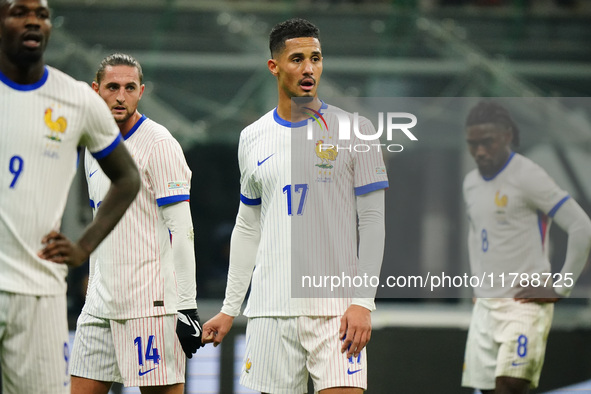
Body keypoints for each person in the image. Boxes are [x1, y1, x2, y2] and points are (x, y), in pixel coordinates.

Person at [202, 18, 388, 393]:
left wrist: (363, 302)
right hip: (271, 312)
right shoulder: (252, 137)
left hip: (336, 312)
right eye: (297, 59)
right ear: (274, 66)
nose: (308, 68)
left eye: (316, 58)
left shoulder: (356, 129)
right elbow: (247, 226)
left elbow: (372, 220)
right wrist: (230, 307)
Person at [0, 0, 140, 393]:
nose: (32, 21)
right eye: (18, 12)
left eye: (41, 15)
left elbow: (127, 178)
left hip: (40, 292)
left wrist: (83, 249)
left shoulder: (75, 98)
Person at [69, 53, 202, 394]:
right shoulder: (92, 146)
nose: (120, 96)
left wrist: (186, 306)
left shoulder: (159, 145)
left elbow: (182, 232)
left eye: (130, 88)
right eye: (112, 87)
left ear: (141, 91)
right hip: (99, 304)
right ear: (95, 90)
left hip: (151, 308)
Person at [461, 101, 591, 393]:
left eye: (487, 142)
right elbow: (476, 234)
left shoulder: (528, 175)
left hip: (524, 304)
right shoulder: (471, 182)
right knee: (487, 390)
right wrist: (477, 283)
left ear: (507, 135)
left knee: (509, 385)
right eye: (473, 144)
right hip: (486, 305)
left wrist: (561, 287)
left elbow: (581, 226)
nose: (480, 151)